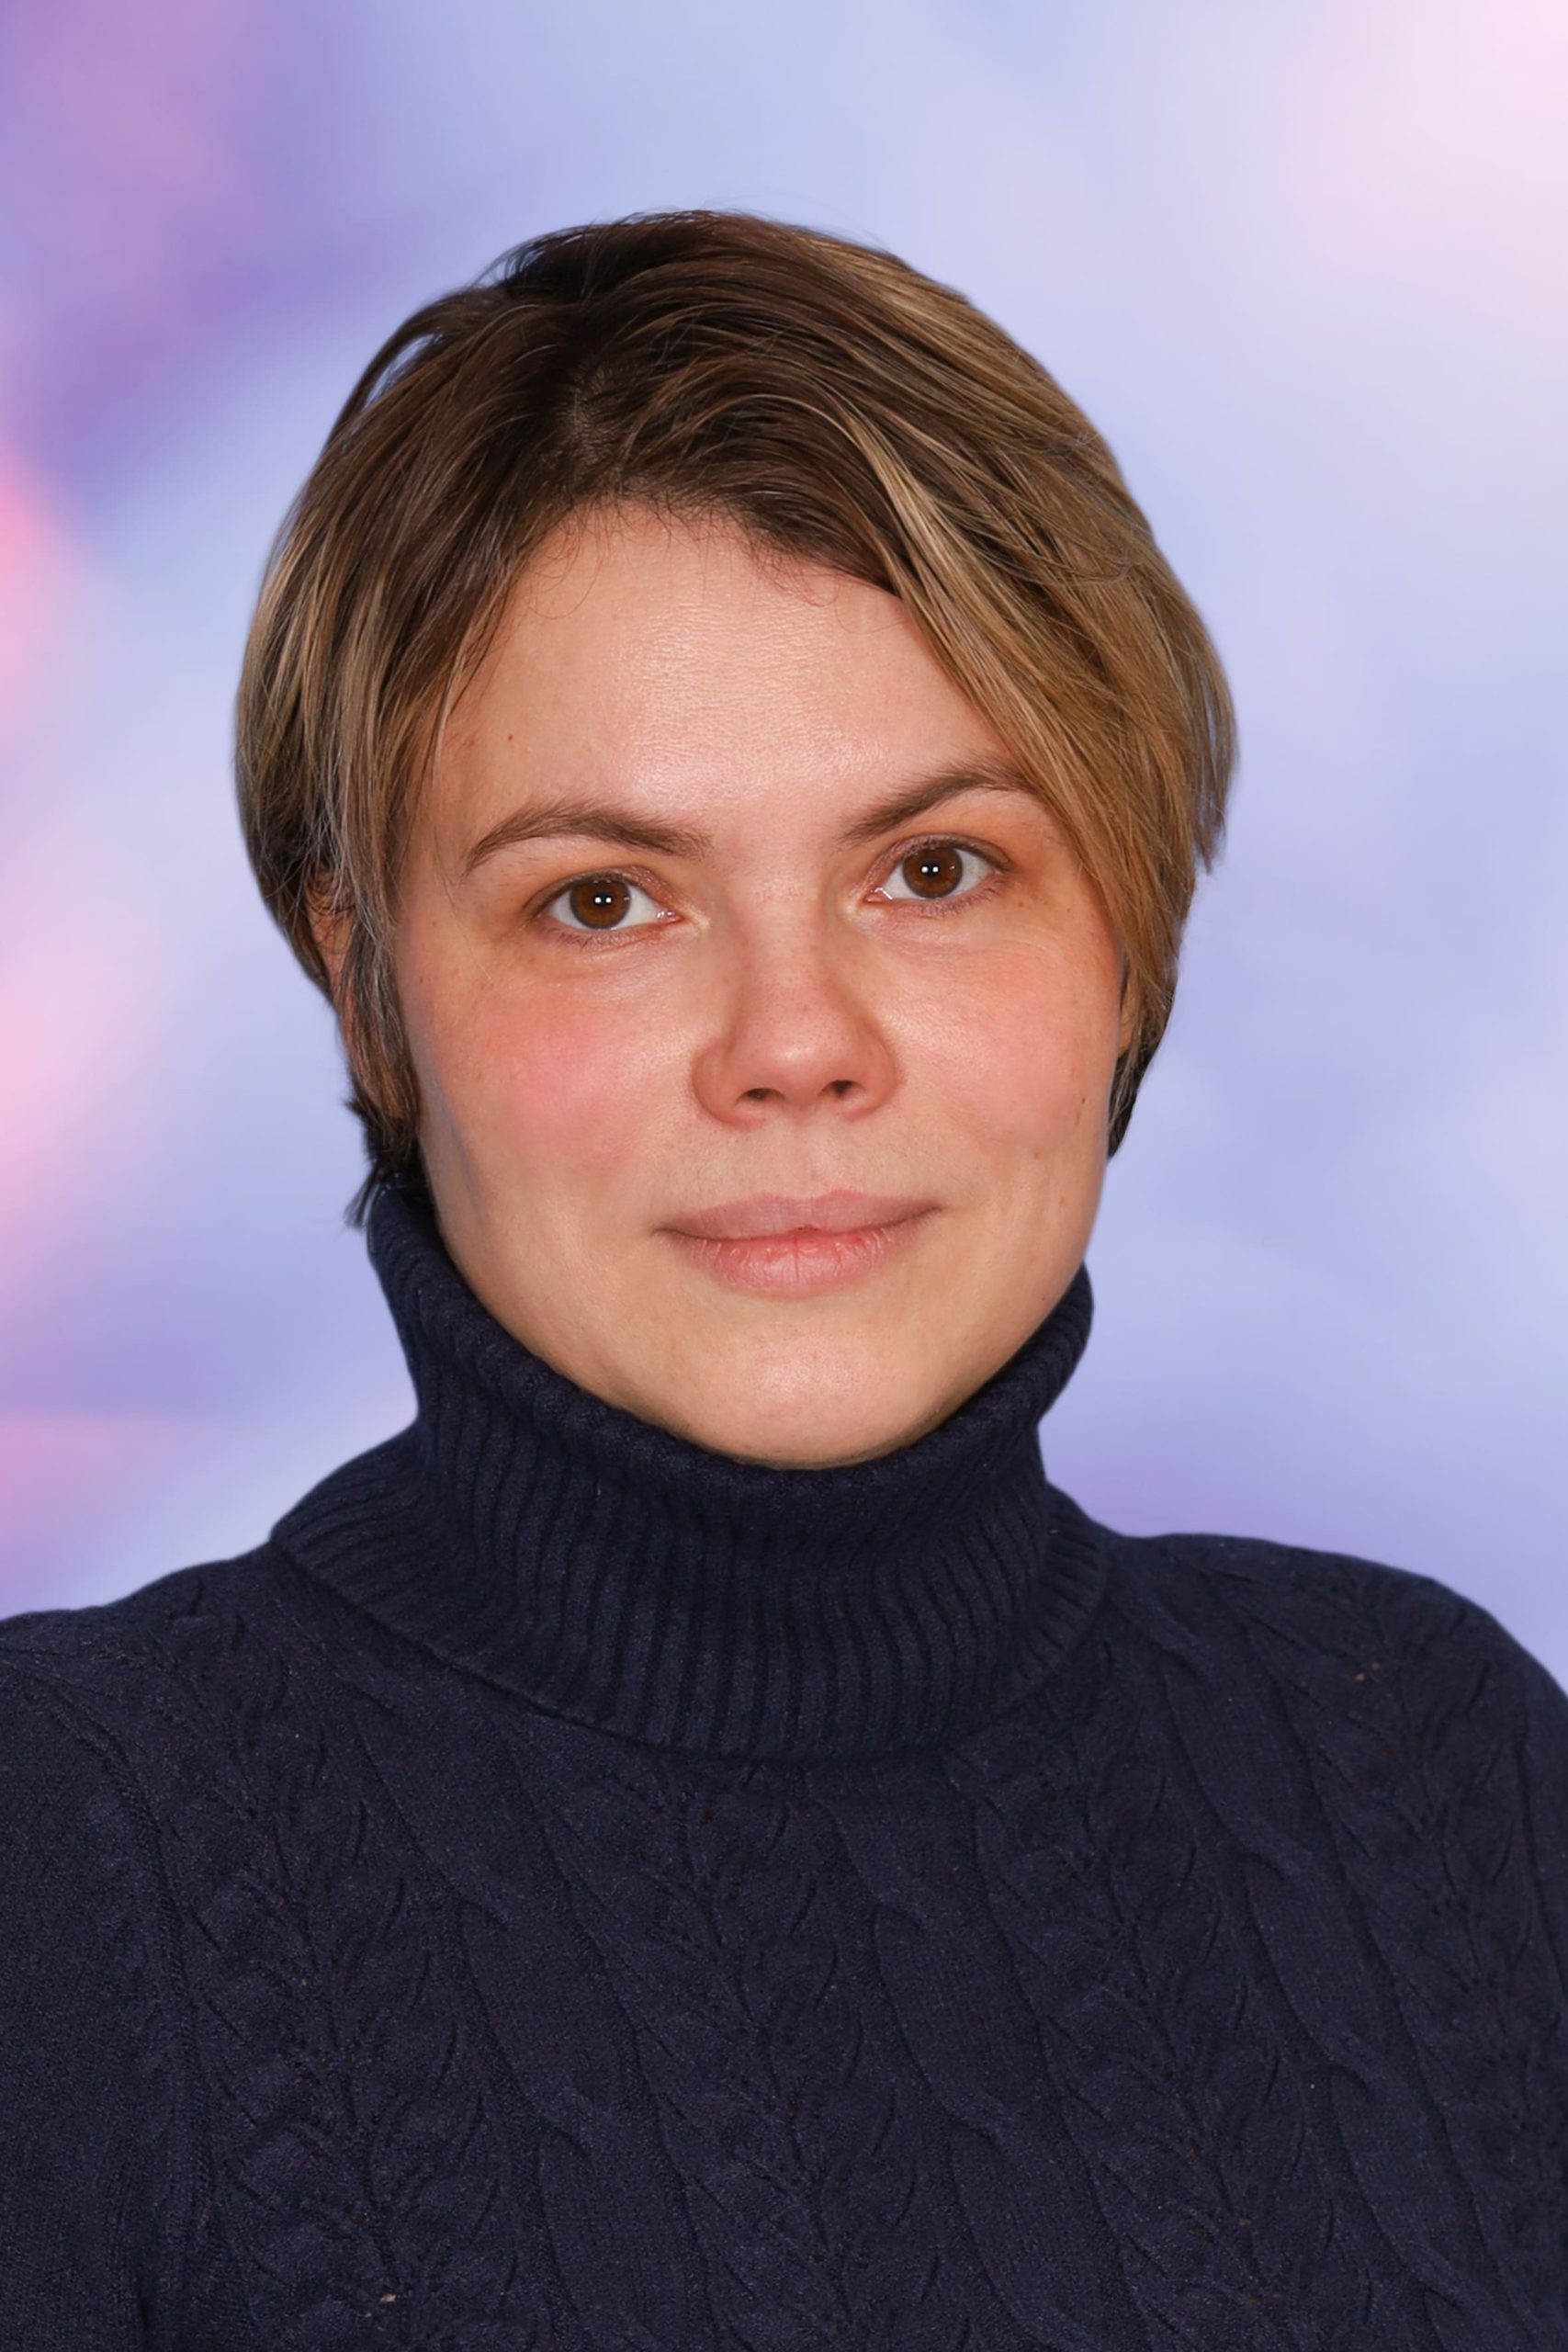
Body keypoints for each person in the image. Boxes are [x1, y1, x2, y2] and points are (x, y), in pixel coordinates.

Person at [1, 209, 1562, 2350]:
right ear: (365, 989)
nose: (793, 1040)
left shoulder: (1429, 1767)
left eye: (934, 868)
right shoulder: (73, 1859)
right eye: (601, 900)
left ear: (1126, 939)